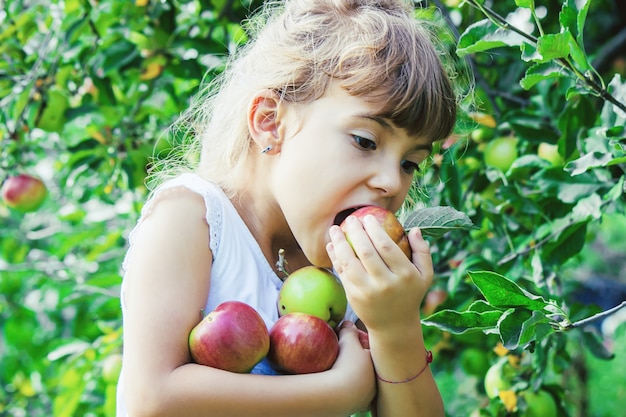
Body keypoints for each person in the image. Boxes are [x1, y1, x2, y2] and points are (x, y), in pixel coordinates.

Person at [116, 0, 458, 416]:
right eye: (365, 142)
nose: (391, 182)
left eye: (410, 164)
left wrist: (396, 326)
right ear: (269, 122)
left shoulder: (355, 278)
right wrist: (340, 392)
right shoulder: (193, 220)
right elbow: (152, 400)